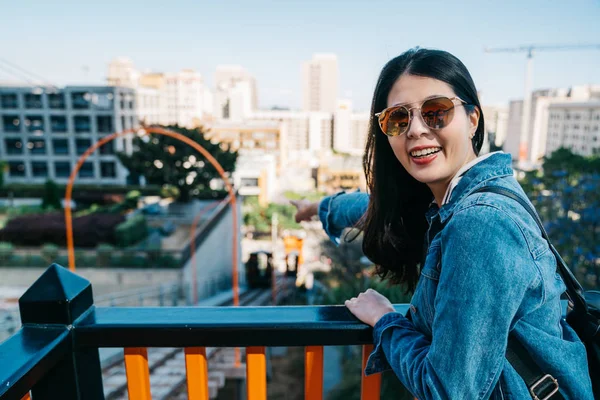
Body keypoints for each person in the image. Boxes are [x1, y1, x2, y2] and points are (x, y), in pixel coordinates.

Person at [292, 48, 593, 399]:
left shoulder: (479, 224)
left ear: (473, 119)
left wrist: (385, 320)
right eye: (397, 119)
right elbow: (381, 207)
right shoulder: (472, 195)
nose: (416, 130)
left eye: (436, 112)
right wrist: (317, 207)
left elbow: (448, 391)